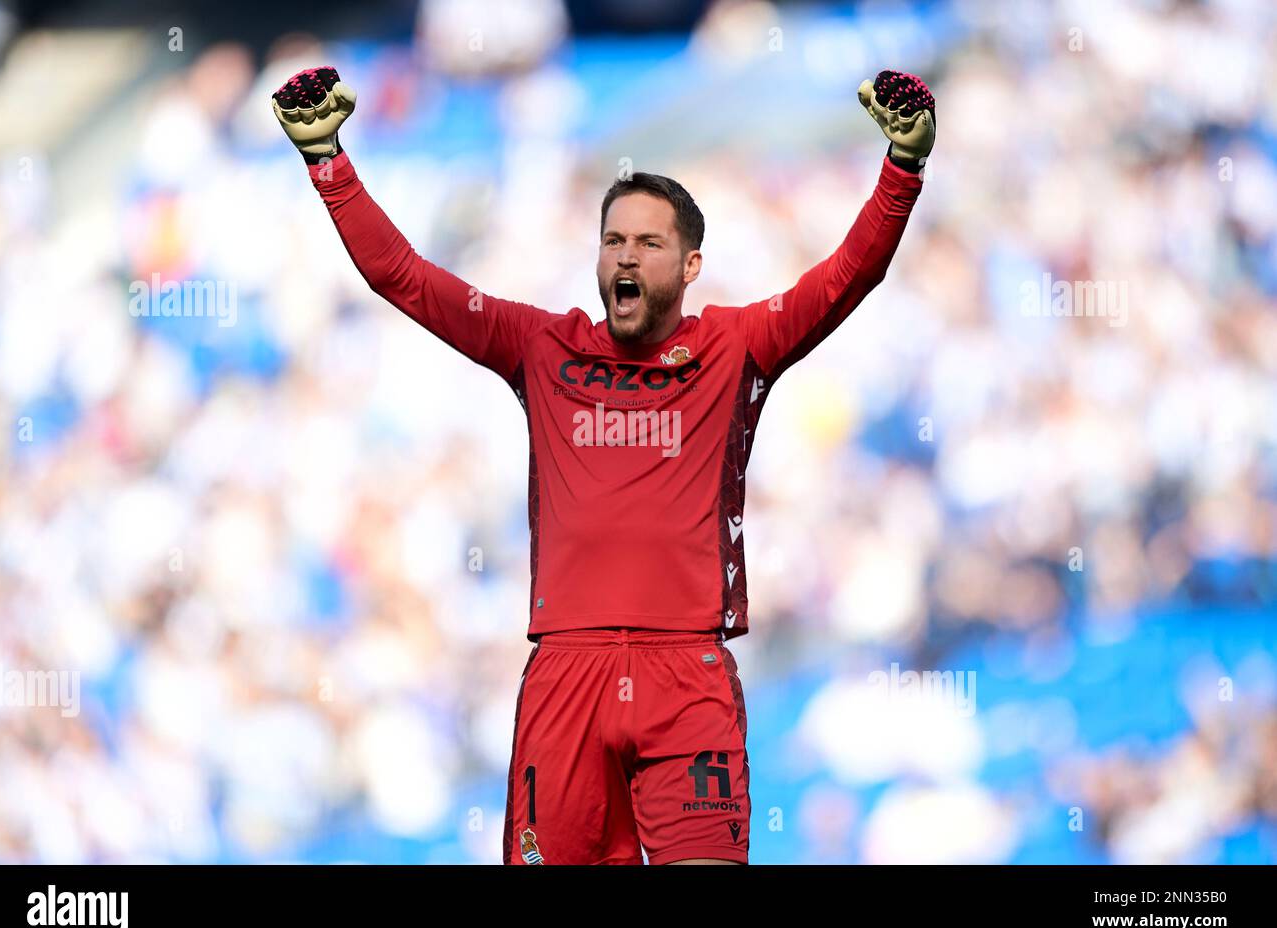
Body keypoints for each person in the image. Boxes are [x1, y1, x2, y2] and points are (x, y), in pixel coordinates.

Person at [272, 65, 934, 864]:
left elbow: (847, 275)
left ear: (690, 266)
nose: (625, 256)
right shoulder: (541, 345)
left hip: (686, 675)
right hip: (566, 677)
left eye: (649, 243)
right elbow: (405, 278)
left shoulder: (736, 346)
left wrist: (902, 170)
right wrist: (329, 162)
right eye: (613, 239)